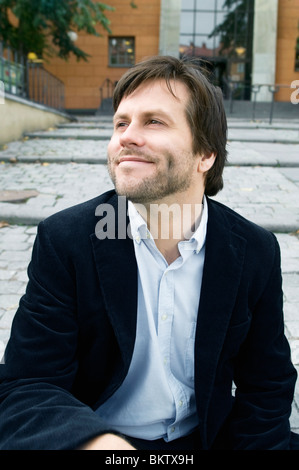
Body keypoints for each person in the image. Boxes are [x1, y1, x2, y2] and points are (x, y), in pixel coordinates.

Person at [0, 55, 298, 451]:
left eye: (153, 121)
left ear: (205, 154)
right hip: (95, 439)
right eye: (121, 123)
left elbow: (267, 384)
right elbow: (27, 384)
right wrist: (102, 446)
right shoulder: (66, 240)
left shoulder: (254, 251)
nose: (126, 136)